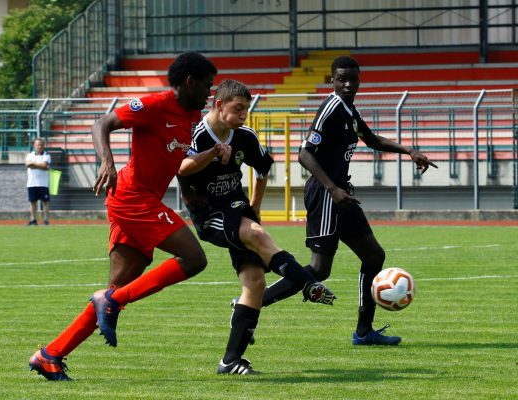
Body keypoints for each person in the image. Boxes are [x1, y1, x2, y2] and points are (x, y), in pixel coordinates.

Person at [28, 51, 218, 381]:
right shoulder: (155, 104)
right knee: (194, 258)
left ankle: (50, 355)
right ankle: (112, 301)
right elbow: (101, 123)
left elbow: (176, 154)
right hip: (133, 198)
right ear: (189, 82)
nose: (208, 93)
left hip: (142, 200)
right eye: (206, 86)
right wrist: (106, 161)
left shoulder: (190, 115)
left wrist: (194, 179)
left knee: (117, 287)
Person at [260, 56, 437, 346]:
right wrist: (332, 189)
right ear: (332, 80)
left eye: (353, 79)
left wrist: (409, 151)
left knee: (373, 256)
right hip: (327, 194)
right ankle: (255, 302)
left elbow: (372, 139)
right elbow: (305, 154)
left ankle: (364, 332)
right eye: (341, 79)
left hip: (343, 194)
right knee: (319, 269)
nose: (348, 84)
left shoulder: (349, 111)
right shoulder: (330, 109)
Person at [177, 79, 336, 375]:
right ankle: (308, 284)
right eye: (238, 109)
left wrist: (256, 206)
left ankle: (230, 361)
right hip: (209, 214)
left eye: (246, 110)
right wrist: (214, 152)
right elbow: (182, 167)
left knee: (255, 283)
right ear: (219, 105)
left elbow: (263, 168)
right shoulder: (197, 135)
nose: (243, 115)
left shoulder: (245, 136)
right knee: (257, 235)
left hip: (238, 207)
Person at [25, 138, 51, 225]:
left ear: (44, 146)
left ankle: (46, 220)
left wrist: (34, 164)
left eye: (41, 145)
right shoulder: (30, 155)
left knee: (45, 202)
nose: (39, 146)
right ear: (34, 146)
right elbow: (28, 164)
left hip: (43, 183)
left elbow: (44, 165)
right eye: (37, 145)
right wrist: (40, 165)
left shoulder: (47, 156)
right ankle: (33, 220)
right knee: (33, 202)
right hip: (32, 183)